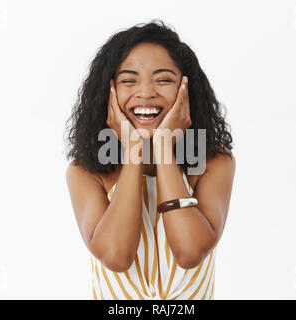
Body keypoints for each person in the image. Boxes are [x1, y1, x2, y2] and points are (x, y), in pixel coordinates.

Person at [64, 19, 235, 300]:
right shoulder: (86, 172)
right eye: (129, 80)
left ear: (186, 90)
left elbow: (190, 252)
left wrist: (163, 147)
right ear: (108, 94)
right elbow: (117, 256)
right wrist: (134, 152)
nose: (145, 93)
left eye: (163, 80)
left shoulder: (214, 163)